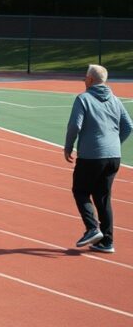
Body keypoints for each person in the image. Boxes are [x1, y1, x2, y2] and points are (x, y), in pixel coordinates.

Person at [64, 64, 131, 254]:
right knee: (103, 197)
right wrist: (114, 143)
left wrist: (69, 146)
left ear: (91, 80)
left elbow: (74, 126)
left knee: (80, 190)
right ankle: (107, 241)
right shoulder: (116, 100)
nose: (84, 80)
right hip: (113, 156)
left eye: (85, 78)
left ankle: (92, 228)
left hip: (91, 156)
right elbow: (128, 126)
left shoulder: (83, 98)